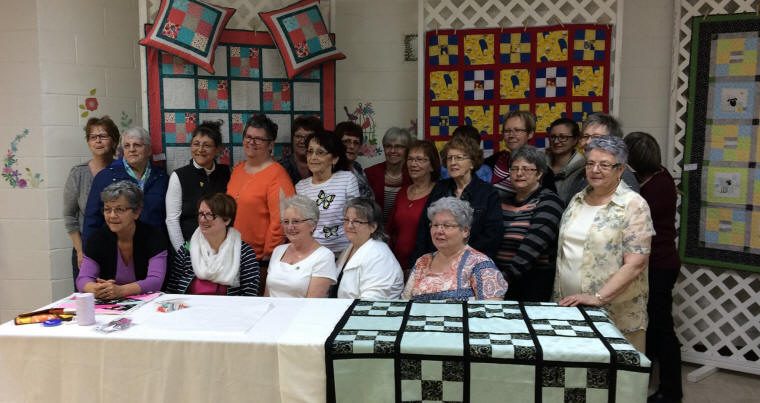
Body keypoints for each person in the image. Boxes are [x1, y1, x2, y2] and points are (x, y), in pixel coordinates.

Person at [555, 135, 655, 352]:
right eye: (590, 163)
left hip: (613, 312)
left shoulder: (633, 205)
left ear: (620, 170)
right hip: (570, 307)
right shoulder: (577, 200)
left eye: (604, 165)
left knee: (613, 379)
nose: (595, 170)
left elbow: (636, 263)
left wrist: (598, 298)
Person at [624, 132, 682, 403]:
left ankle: (671, 391)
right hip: (658, 263)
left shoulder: (654, 187)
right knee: (654, 325)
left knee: (661, 327)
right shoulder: (659, 176)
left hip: (658, 265)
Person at [412, 135, 502, 263]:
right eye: (449, 158)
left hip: (472, 263)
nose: (453, 163)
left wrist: (459, 258)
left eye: (459, 158)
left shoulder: (488, 193)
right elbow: (424, 228)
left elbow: (492, 236)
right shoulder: (440, 188)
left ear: (472, 162)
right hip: (438, 261)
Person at [402, 197, 508, 301]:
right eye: (435, 225)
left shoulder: (480, 264)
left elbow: (491, 312)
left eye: (447, 225)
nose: (439, 231)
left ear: (465, 231)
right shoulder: (422, 262)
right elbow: (404, 304)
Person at [495, 145, 564, 302]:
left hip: (532, 283)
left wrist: (501, 280)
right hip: (499, 279)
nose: (519, 173)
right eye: (514, 168)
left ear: (539, 173)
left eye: (527, 169)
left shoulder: (549, 202)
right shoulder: (501, 201)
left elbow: (532, 247)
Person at [77, 181, 167, 299]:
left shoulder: (154, 237)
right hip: (110, 305)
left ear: (137, 212)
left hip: (149, 303)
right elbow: (83, 279)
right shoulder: (97, 239)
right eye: (107, 209)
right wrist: (95, 289)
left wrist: (121, 290)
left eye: (120, 209)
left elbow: (155, 281)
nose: (112, 215)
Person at [227, 114, 295, 267]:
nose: (251, 142)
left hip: (258, 260)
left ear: (271, 145)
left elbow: (281, 222)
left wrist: (268, 256)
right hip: (232, 254)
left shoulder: (278, 176)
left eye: (258, 139)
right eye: (248, 136)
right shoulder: (237, 170)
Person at [83, 127, 169, 244]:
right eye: (127, 146)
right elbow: (92, 219)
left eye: (137, 145)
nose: (132, 149)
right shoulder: (106, 177)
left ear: (149, 150)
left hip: (154, 248)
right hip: (116, 249)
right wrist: (89, 255)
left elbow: (168, 218)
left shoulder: (161, 177)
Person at [166, 193, 259, 296]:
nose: (202, 219)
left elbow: (250, 296)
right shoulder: (187, 250)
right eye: (201, 214)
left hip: (229, 310)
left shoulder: (244, 253)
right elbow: (172, 291)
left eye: (209, 215)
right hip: (191, 309)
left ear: (227, 220)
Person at [64, 116, 120, 282]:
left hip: (118, 247)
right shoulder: (78, 173)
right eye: (93, 137)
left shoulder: (122, 170)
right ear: (88, 142)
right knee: (86, 299)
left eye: (103, 136)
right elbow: (69, 215)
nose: (98, 141)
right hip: (86, 248)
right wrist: (80, 251)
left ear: (114, 140)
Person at [165, 121, 231, 253]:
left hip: (222, 250)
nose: (200, 150)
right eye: (196, 144)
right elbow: (172, 220)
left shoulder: (227, 173)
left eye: (207, 145)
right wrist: (184, 252)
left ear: (218, 149)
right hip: (190, 249)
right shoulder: (179, 176)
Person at [295, 130, 360, 255]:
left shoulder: (347, 179)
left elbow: (356, 218)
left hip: (345, 253)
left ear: (334, 159)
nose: (313, 157)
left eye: (320, 153)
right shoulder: (300, 187)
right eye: (310, 152)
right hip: (313, 253)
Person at [265, 195, 337, 298]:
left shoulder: (324, 256)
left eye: (296, 221)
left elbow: (312, 304)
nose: (290, 227)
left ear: (312, 225)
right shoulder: (278, 251)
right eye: (286, 222)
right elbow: (267, 295)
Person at [386, 140, 440, 276]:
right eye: (410, 159)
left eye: (420, 160)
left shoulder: (439, 194)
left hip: (426, 266)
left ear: (432, 166)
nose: (413, 164)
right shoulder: (402, 192)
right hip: (396, 265)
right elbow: (391, 229)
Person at [335, 198, 404, 299]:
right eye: (346, 220)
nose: (349, 226)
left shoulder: (380, 257)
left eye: (357, 221)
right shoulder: (350, 247)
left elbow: (371, 301)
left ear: (373, 227)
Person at [567, 113, 639, 198]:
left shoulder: (621, 176)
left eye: (596, 137)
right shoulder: (580, 172)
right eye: (585, 136)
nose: (588, 142)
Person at [364, 127, 413, 222]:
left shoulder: (413, 175)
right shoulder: (370, 173)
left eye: (398, 146)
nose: (393, 151)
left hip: (401, 230)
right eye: (388, 146)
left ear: (407, 150)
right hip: (375, 229)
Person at [545, 118, 586, 204]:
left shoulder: (584, 168)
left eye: (563, 137)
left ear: (575, 140)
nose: (556, 141)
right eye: (553, 137)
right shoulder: (539, 163)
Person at [335, 120, 373, 198]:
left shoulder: (357, 167)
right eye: (346, 141)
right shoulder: (332, 171)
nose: (352, 146)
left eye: (356, 143)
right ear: (337, 144)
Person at [279, 115, 322, 184]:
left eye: (308, 137)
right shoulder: (281, 167)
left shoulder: (326, 166)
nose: (302, 141)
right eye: (298, 136)